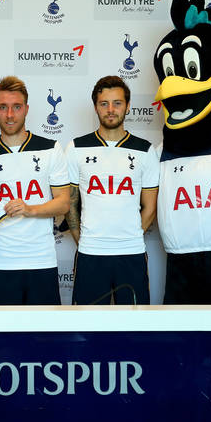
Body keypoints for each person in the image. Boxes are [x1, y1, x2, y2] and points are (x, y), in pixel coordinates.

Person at [0, 76, 70, 305]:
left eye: (16, 107)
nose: (10, 115)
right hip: (2, 262)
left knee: (43, 339)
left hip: (42, 262)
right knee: (1, 337)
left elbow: (64, 202)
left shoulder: (51, 148)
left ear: (26, 109)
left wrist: (29, 209)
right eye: (3, 107)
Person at [65, 76, 159, 305]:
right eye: (104, 103)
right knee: (88, 328)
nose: (110, 109)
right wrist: (84, 240)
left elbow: (150, 207)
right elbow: (70, 203)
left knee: (135, 328)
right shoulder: (76, 148)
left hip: (132, 253)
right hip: (91, 254)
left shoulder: (145, 151)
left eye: (117, 103)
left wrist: (130, 236)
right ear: (95, 107)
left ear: (127, 106)